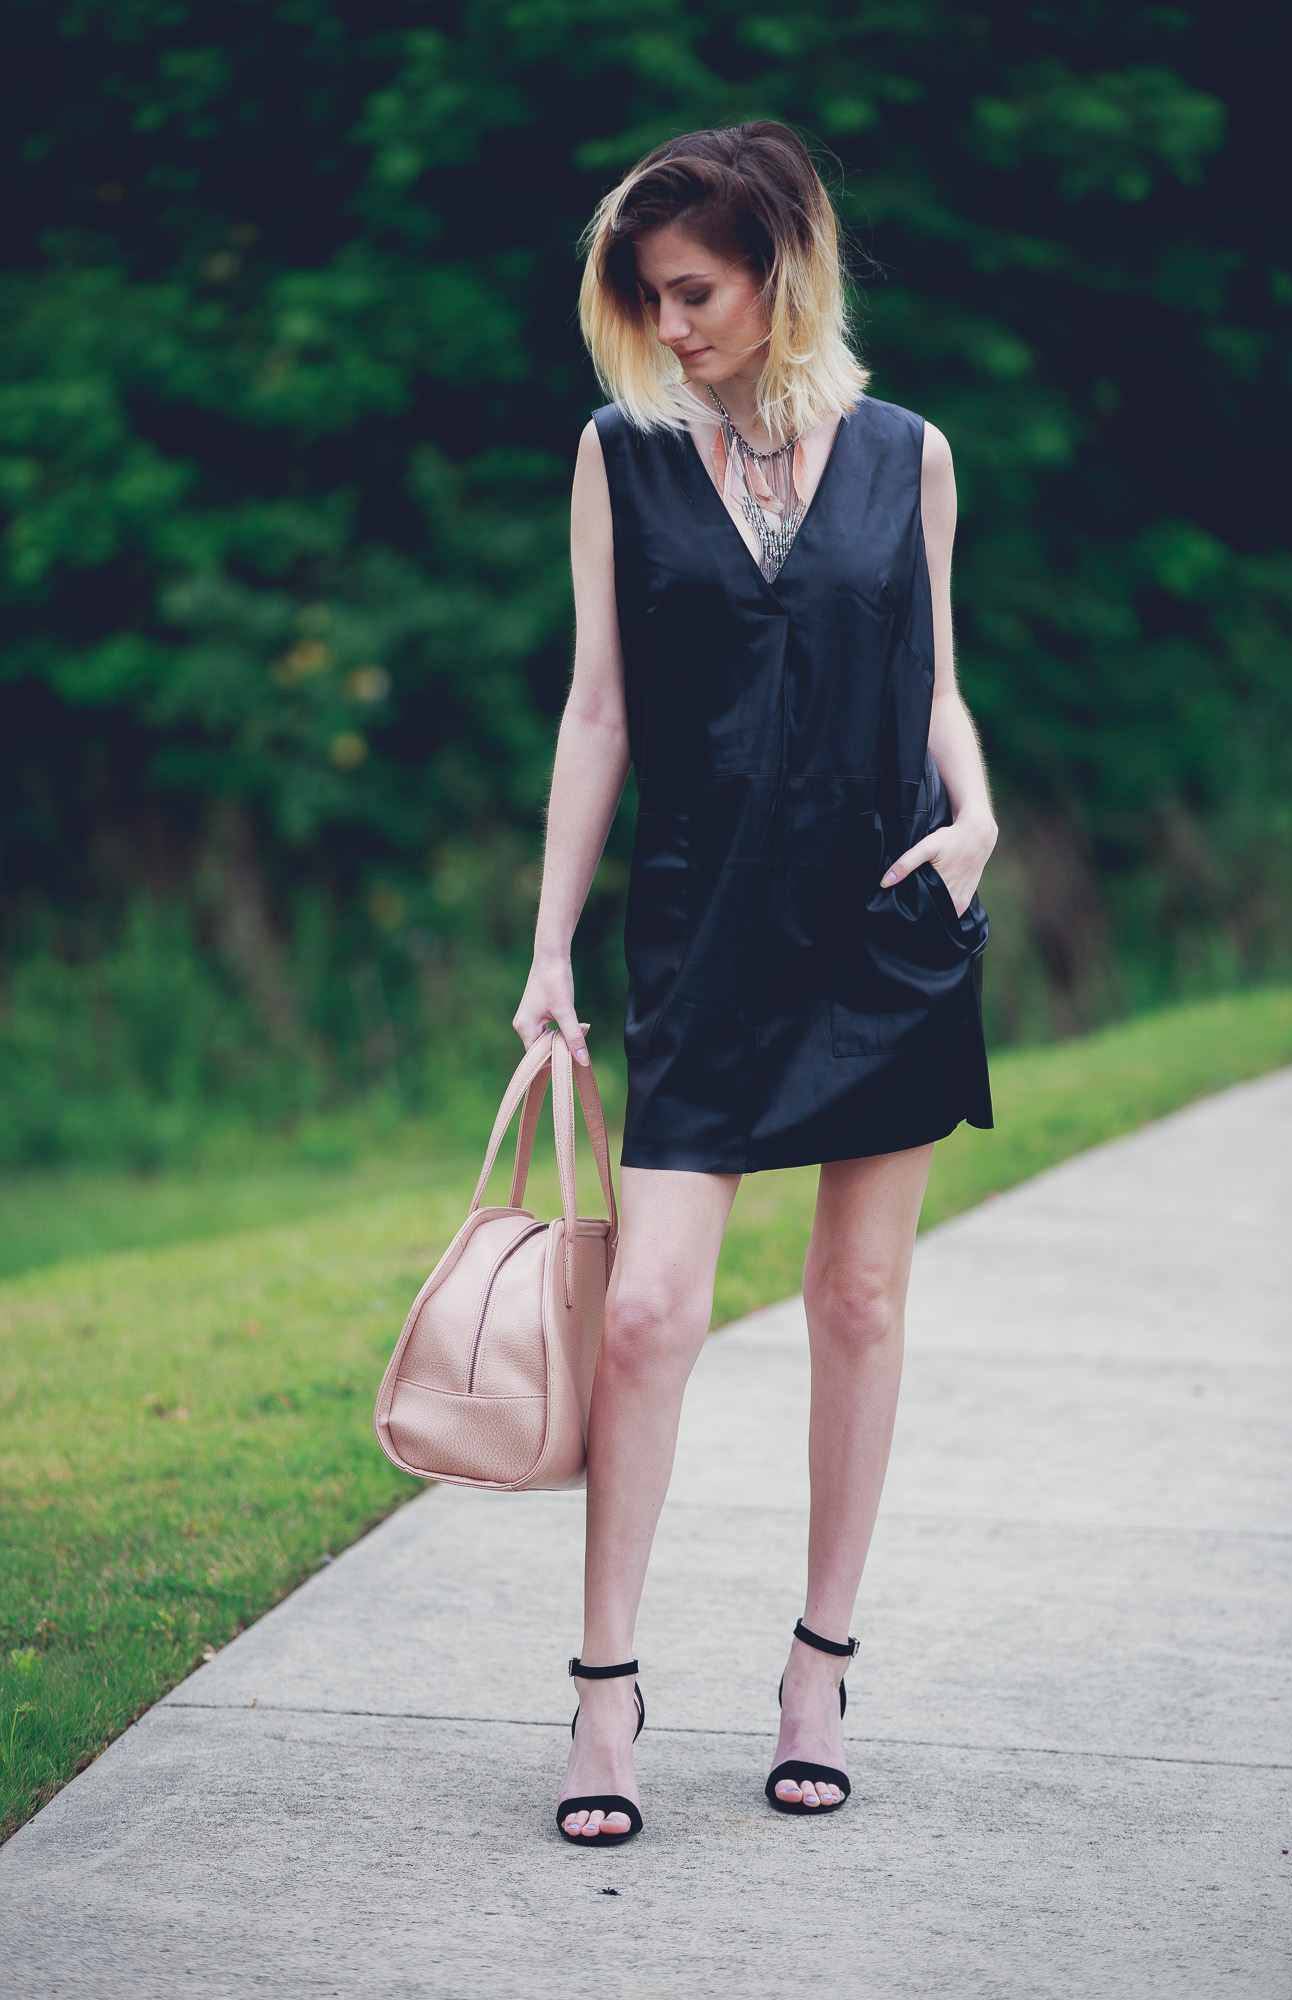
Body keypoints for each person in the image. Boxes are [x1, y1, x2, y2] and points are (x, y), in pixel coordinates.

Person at [513, 120, 997, 1844]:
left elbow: (933, 678)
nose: (673, 324)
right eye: (650, 298)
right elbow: (599, 712)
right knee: (646, 1316)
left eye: (697, 290)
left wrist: (979, 817)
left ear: (783, 269)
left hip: (881, 919)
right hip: (701, 929)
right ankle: (602, 1691)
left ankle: (815, 1669)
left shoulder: (909, 455)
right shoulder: (619, 453)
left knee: (859, 1305)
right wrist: (551, 945)